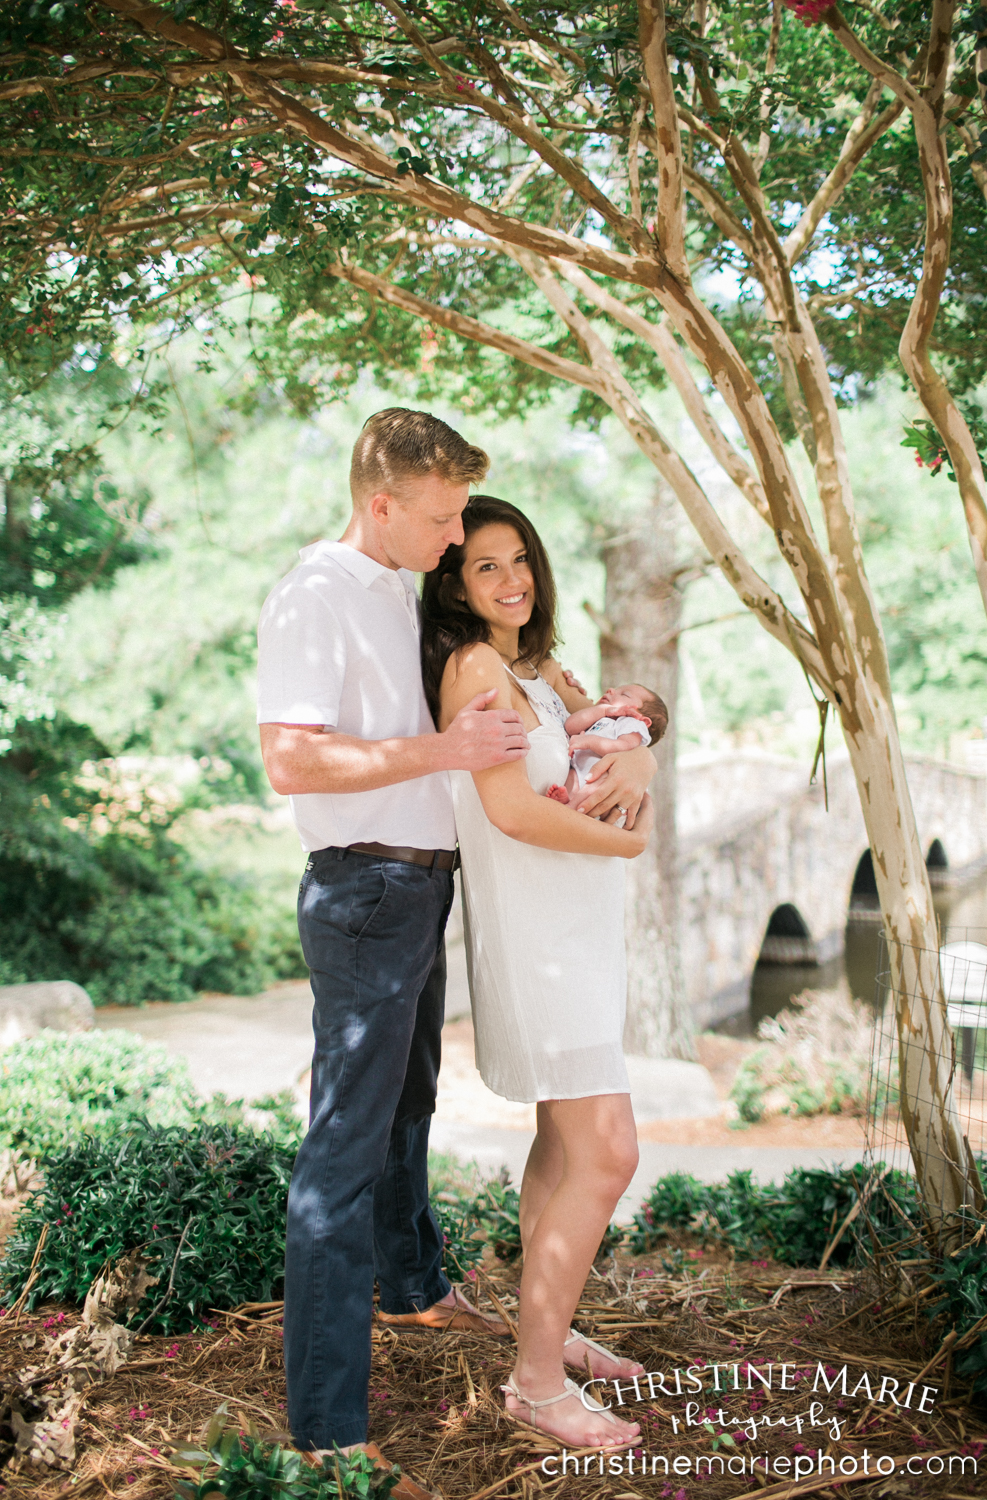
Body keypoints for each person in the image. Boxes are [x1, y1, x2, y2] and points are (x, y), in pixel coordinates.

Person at [257, 410, 537, 1487]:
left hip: (420, 884)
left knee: (412, 1102)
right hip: (366, 886)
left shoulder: (396, 583)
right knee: (340, 1152)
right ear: (381, 503)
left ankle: (411, 1286)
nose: (454, 532)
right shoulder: (316, 591)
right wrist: (446, 749)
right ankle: (327, 1429)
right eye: (440, 514)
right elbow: (291, 759)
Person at [421, 495, 658, 1451]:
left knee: (563, 1152)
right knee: (608, 1151)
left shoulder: (534, 666)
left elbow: (620, 731)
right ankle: (533, 1384)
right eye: (486, 565)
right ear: (454, 582)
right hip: (542, 944)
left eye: (520, 557)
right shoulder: (476, 666)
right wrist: (628, 849)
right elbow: (512, 810)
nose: (513, 578)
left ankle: (546, 1339)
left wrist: (640, 768)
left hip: (578, 939)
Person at [547, 685, 668, 813]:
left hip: (606, 782)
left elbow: (624, 747)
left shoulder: (632, 723)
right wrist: (604, 710)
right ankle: (569, 800)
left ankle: (572, 807)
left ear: (643, 720)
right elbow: (570, 726)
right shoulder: (600, 717)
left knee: (599, 783)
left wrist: (590, 742)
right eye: (615, 689)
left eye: (624, 694)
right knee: (572, 778)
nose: (611, 690)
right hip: (582, 772)